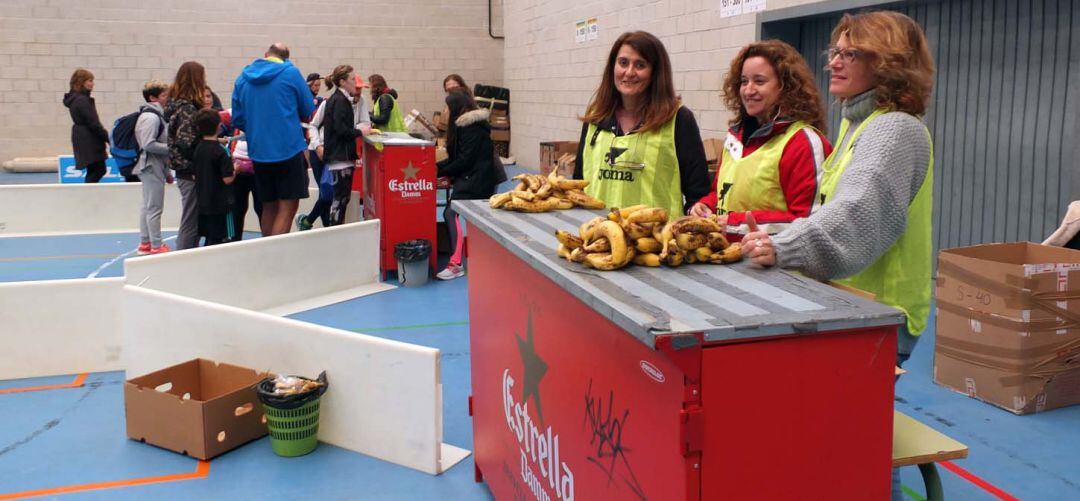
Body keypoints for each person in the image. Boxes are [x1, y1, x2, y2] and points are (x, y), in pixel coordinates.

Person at [738, 13, 935, 500]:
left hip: (879, 311)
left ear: (887, 65)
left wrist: (781, 246)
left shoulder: (893, 131)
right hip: (853, 306)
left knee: (859, 441)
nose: (834, 63)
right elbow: (824, 210)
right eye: (835, 51)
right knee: (847, 432)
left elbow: (857, 221)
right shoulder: (859, 125)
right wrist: (776, 232)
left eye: (851, 53)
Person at [689, 40, 831, 240]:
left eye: (759, 81)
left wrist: (734, 224)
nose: (748, 90)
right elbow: (721, 194)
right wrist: (705, 205)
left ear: (785, 86)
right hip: (731, 263)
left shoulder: (803, 142)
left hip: (776, 268)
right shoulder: (734, 137)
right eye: (744, 81)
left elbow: (808, 222)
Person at [573, 31, 709, 217]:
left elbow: (698, 194)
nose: (629, 72)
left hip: (655, 242)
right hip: (598, 238)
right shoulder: (595, 118)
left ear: (655, 73)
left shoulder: (678, 120)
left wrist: (698, 211)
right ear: (612, 67)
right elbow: (578, 184)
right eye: (623, 63)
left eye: (640, 65)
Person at [231, 42, 315, 236]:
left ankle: (268, 251)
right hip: (288, 148)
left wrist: (258, 130)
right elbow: (308, 109)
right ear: (286, 58)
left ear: (266, 54)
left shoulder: (242, 78)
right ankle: (277, 256)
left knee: (268, 206)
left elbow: (238, 119)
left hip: (259, 152)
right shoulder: (291, 73)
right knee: (287, 207)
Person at [435, 88, 499, 280]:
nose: (445, 112)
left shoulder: (470, 128)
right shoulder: (466, 126)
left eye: (447, 108)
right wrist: (436, 167)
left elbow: (465, 160)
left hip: (477, 180)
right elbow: (458, 157)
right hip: (473, 177)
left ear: (456, 107)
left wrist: (439, 170)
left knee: (451, 212)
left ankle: (456, 264)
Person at [165, 61, 209, 250]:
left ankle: (187, 252)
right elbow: (185, 142)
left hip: (185, 169)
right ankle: (183, 255)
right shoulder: (187, 109)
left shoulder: (179, 106)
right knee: (191, 219)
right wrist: (196, 167)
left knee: (193, 217)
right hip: (189, 171)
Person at [317, 65, 364, 226]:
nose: (355, 83)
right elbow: (340, 129)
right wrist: (360, 131)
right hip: (340, 157)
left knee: (341, 199)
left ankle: (336, 230)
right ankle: (335, 232)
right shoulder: (339, 101)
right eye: (352, 79)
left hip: (340, 156)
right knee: (340, 199)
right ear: (343, 82)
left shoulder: (338, 100)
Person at [133, 80, 172, 255]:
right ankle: (156, 245)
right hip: (151, 164)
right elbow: (149, 144)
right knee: (154, 207)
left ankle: (146, 243)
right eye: (164, 95)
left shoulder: (154, 115)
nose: (167, 98)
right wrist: (172, 148)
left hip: (153, 164)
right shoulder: (151, 117)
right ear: (153, 97)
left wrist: (167, 170)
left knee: (148, 206)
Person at [192, 109, 236, 246]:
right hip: (220, 203)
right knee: (220, 237)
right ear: (219, 126)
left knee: (208, 236)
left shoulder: (198, 148)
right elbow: (227, 179)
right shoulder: (221, 151)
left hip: (203, 201)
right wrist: (237, 169)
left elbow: (194, 175)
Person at [63, 69, 110, 183]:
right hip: (89, 138)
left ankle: (89, 193)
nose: (92, 83)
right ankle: (88, 194)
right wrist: (107, 137)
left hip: (82, 136)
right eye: (90, 80)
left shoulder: (76, 99)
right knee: (98, 169)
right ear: (81, 82)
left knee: (94, 169)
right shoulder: (82, 100)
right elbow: (93, 123)